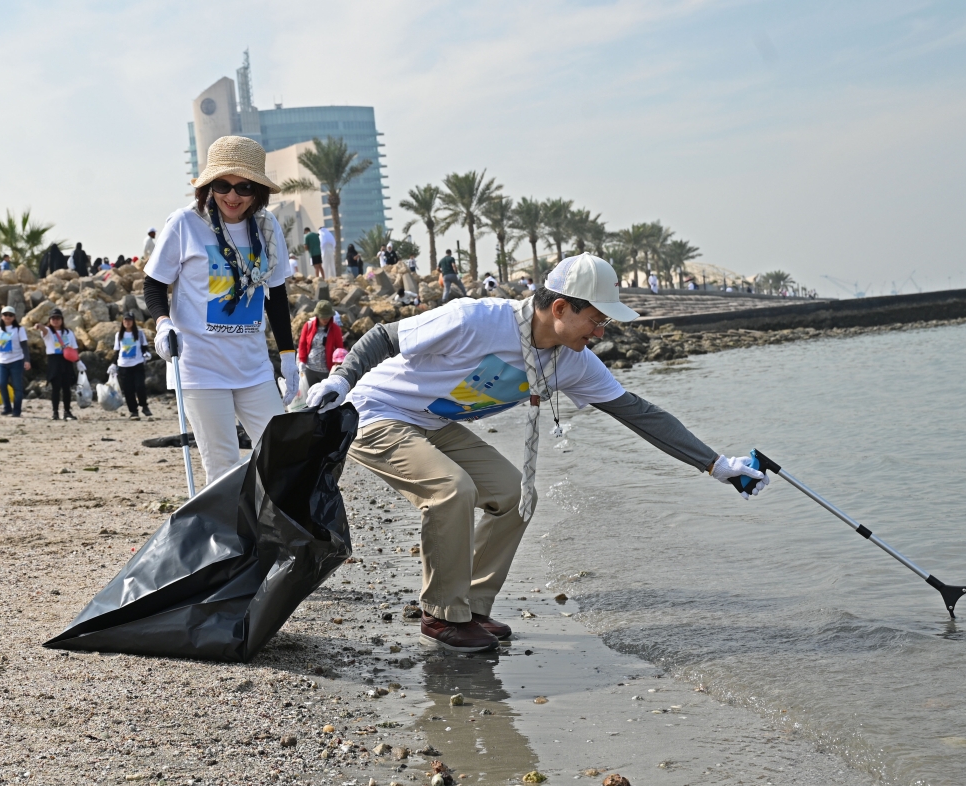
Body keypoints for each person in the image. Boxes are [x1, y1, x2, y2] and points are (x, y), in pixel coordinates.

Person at [305, 253, 768, 652]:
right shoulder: (477, 319)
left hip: (433, 423)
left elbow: (638, 412)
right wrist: (340, 380)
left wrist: (716, 465)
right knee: (451, 490)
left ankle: (469, 606)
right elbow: (385, 336)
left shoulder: (572, 360)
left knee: (514, 494)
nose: (602, 332)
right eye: (597, 319)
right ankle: (442, 615)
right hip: (375, 413)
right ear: (561, 307)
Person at [144, 135, 296, 484]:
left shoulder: (268, 227)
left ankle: (269, 535)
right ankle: (231, 537)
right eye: (223, 185)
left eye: (244, 187)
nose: (232, 196)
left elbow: (276, 294)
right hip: (201, 368)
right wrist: (163, 324)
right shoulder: (185, 223)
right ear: (209, 185)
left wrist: (287, 354)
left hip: (254, 367)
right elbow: (153, 283)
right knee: (223, 469)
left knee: (280, 459)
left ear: (258, 191)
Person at [36, 308, 82, 420]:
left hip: (67, 360)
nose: (55, 320)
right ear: (50, 320)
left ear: (62, 319)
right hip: (54, 360)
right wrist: (39, 326)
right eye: (53, 318)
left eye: (58, 318)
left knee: (67, 388)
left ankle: (67, 411)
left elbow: (74, 348)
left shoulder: (69, 332)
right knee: (55, 388)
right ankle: (55, 412)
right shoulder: (48, 331)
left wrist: (78, 361)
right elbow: (43, 329)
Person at [0, 306, 30, 417]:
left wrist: (27, 360)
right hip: (2, 362)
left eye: (10, 315)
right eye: (5, 315)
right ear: (1, 316)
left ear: (14, 317)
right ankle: (7, 408)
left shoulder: (19, 330)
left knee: (17, 386)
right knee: (1, 384)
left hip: (16, 361)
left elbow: (24, 346)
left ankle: (17, 410)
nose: (8, 317)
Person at [112, 311, 152, 420]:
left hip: (137, 364)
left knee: (140, 386)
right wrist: (113, 364)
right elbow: (117, 351)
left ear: (133, 321)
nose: (127, 322)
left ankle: (144, 406)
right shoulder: (119, 335)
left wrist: (147, 354)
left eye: (129, 320)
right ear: (122, 321)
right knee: (128, 390)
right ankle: (133, 411)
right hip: (123, 366)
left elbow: (144, 347)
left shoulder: (139, 333)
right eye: (125, 320)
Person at [296, 300, 344, 386]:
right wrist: (302, 361)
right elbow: (302, 344)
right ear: (317, 315)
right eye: (323, 316)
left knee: (325, 396)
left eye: (327, 316)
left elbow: (339, 349)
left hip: (326, 370)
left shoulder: (335, 329)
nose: (325, 319)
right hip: (310, 368)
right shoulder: (308, 326)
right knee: (310, 394)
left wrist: (338, 365)